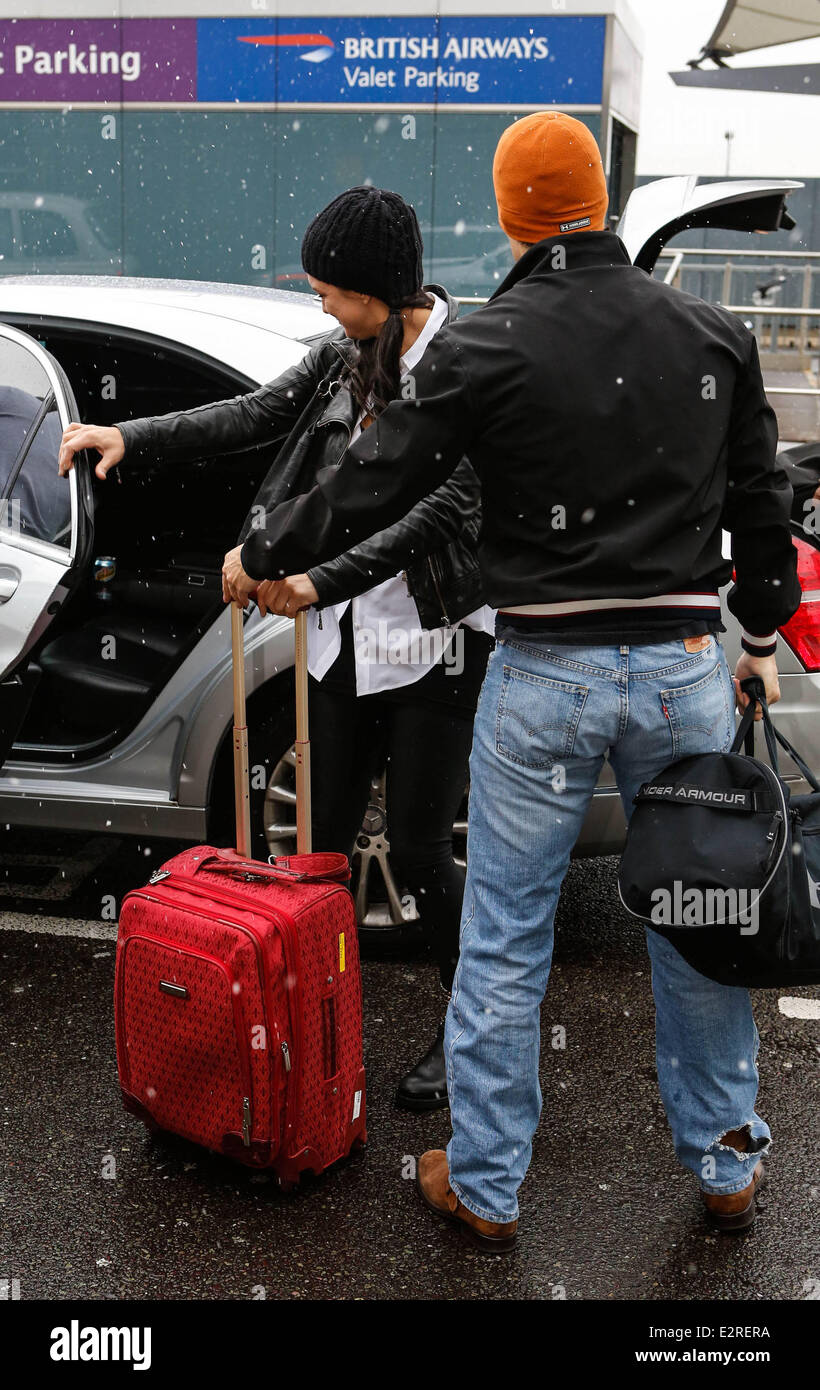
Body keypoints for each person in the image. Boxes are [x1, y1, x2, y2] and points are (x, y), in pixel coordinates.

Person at [222, 113, 802, 1252]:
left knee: (502, 933)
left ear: (509, 215)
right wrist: (761, 632)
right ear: (597, 203)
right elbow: (762, 504)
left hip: (543, 671)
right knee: (698, 915)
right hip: (684, 668)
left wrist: (268, 552)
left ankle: (486, 1185)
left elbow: (373, 478)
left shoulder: (488, 345)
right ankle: (726, 1157)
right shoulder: (710, 332)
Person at [57, 187, 495, 1113]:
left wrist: (311, 578)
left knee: (418, 855)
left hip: (432, 639)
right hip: (339, 641)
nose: (322, 306)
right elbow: (253, 415)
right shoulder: (345, 355)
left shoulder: (462, 367)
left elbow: (439, 511)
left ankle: (474, 1040)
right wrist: (127, 437)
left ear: (381, 290)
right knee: (316, 854)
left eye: (332, 289)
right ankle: (304, 1023)